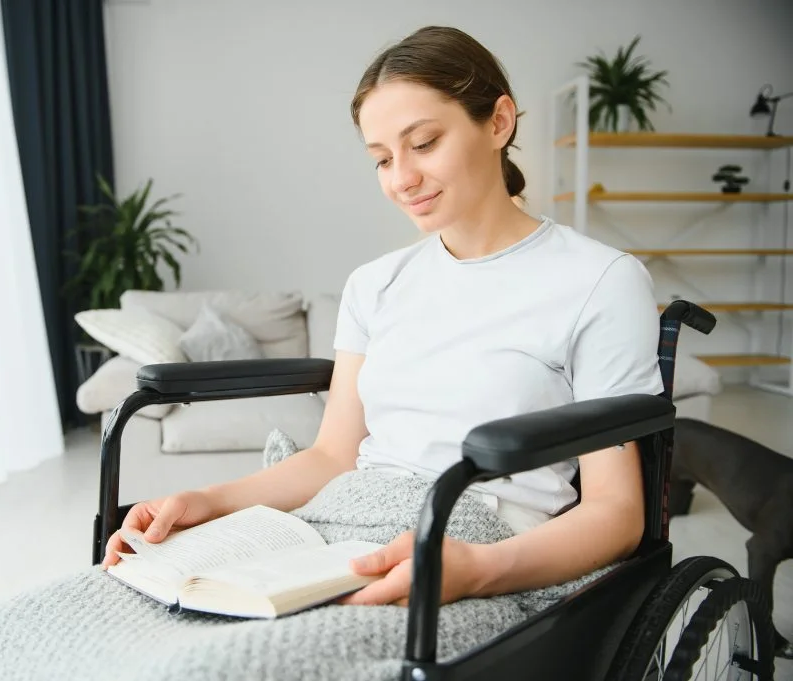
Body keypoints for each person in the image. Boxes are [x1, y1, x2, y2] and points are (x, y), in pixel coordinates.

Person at [102, 25, 663, 609]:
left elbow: (617, 515)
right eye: (381, 159)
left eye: (423, 143)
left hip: (472, 539)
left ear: (499, 122)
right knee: (115, 602)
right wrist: (208, 502)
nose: (401, 179)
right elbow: (332, 457)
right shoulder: (375, 284)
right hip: (337, 522)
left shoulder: (599, 281)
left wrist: (477, 569)